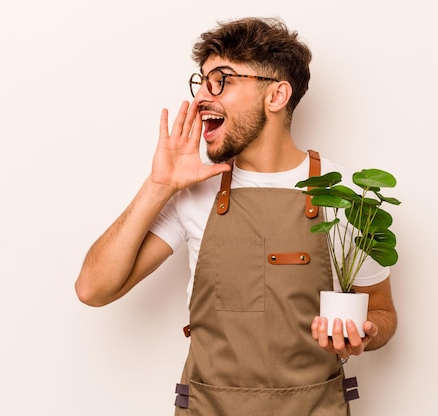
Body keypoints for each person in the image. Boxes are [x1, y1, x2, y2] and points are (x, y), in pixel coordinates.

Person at [75, 16, 397, 415]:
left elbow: (382, 312)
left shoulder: (346, 194)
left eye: (222, 80)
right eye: (202, 81)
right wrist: (159, 185)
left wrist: (366, 333)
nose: (202, 99)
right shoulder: (193, 192)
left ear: (276, 95)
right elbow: (93, 289)